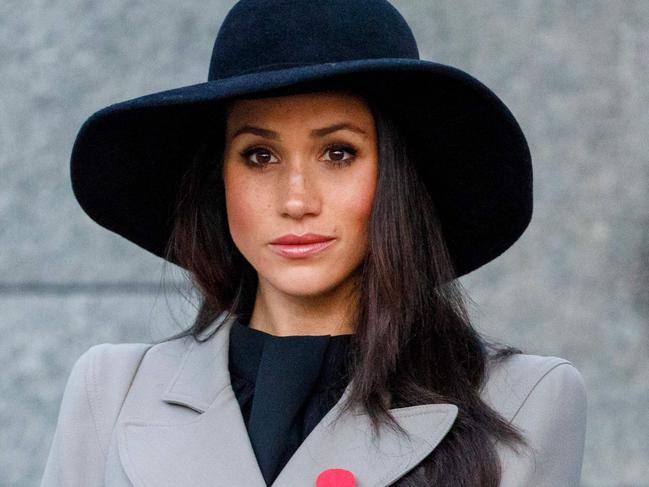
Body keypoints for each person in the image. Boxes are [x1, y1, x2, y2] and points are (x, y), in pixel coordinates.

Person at [41, 0, 588, 486]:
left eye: (338, 153)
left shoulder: (520, 401)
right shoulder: (111, 392)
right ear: (219, 181)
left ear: (395, 177)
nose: (296, 199)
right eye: (259, 155)